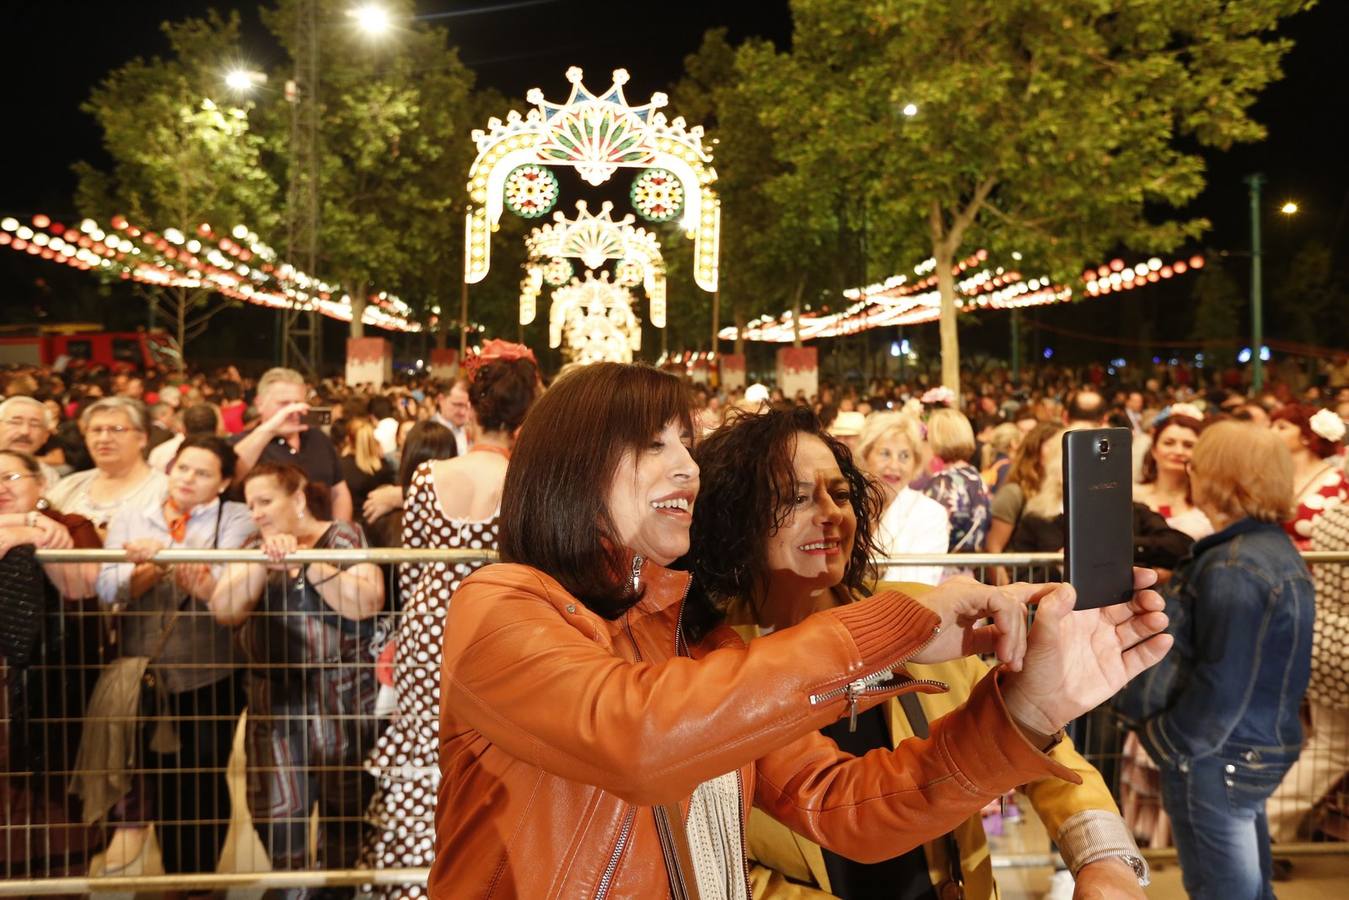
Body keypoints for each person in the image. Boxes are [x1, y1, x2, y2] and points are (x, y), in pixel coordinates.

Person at [429, 362, 1171, 897]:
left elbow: (844, 803)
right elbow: (640, 739)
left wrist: (1028, 711)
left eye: (688, 445)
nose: (687, 466)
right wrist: (891, 627)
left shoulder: (701, 644)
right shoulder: (501, 605)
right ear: (572, 470)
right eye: (656, 444)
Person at [687, 406, 1148, 899]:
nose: (830, 513)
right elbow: (723, 866)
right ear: (735, 516)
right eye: (795, 497)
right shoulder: (707, 663)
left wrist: (1108, 862)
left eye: (841, 493)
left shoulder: (921, 611)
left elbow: (1047, 751)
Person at [359, 344, 539, 897]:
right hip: (491, 629)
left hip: (427, 630)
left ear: (476, 406)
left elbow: (412, 566)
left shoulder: (429, 476)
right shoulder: (524, 482)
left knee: (421, 752)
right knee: (487, 758)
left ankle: (414, 879)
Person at [1120, 421, 1313, 900]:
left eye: (1199, 462)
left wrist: (1171, 742)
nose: (1189, 469)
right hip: (1245, 746)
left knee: (1224, 890)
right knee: (1246, 886)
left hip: (1216, 753)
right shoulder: (1265, 551)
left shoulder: (1234, 565)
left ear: (1224, 478)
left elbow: (1223, 683)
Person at [210, 463, 384, 883]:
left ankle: (336, 890)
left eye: (265, 501)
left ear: (299, 499)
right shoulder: (254, 544)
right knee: (274, 808)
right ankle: (292, 889)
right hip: (274, 698)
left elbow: (366, 601)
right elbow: (225, 611)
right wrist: (263, 562)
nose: (257, 513)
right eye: (251, 505)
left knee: (345, 805)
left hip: (341, 694)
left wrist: (307, 561)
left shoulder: (343, 537)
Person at [92, 435, 256, 877]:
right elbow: (107, 586)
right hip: (143, 671)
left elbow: (225, 584)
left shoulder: (237, 517)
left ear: (222, 484)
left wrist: (165, 553)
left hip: (212, 672)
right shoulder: (134, 513)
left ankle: (199, 877)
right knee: (160, 777)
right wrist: (148, 571)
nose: (188, 479)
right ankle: (172, 873)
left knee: (203, 775)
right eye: (183, 468)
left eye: (202, 473)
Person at [0, 449, 103, 877]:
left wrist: (35, 530)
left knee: (54, 797)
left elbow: (82, 587)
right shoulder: (36, 523)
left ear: (41, 484)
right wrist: (25, 525)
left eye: (11, 477)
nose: (2, 487)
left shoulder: (72, 525)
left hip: (56, 679)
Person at [1266, 500, 1349, 841]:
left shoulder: (1335, 514)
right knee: (1330, 748)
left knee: (1329, 747)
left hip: (1328, 639)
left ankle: (1268, 827)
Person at [230, 367, 354, 522]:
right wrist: (271, 429)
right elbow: (231, 473)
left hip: (323, 539)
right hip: (269, 541)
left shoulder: (318, 438)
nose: (293, 410)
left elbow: (338, 492)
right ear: (259, 404)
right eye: (284, 404)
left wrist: (339, 534)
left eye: (298, 403)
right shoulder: (243, 442)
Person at [47, 398, 167, 535]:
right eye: (96, 430)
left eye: (116, 429)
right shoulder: (68, 487)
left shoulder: (166, 492)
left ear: (142, 438)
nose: (104, 439)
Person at [855, 411, 948, 585]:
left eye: (904, 456)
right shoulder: (849, 505)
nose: (894, 465)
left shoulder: (930, 513)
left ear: (915, 463)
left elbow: (918, 584)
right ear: (866, 456)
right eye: (885, 453)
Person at [1270, 403, 1347, 548]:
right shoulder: (1269, 479)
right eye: (1271, 426)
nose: (1270, 432)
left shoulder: (1340, 482)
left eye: (1281, 427)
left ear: (1306, 436)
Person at [919, 408, 991, 556]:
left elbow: (927, 534)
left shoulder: (943, 482)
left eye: (927, 436)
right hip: (967, 572)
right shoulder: (976, 477)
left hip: (941, 573)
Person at [1134, 411, 1212, 540]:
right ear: (1154, 449)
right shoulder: (1132, 495)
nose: (1178, 451)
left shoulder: (1209, 501)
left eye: (1188, 445)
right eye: (1169, 443)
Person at [337, 417, 396, 532]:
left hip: (349, 530)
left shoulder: (340, 467)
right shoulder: (384, 468)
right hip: (382, 531)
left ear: (348, 439)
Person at [0, 396, 62, 490]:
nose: (25, 431)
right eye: (15, 422)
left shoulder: (49, 477)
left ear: (45, 436)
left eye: (35, 425)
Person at [431, 379, 472, 456]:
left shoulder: (471, 430)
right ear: (441, 400)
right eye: (457, 405)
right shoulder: (428, 433)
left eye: (466, 406)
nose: (463, 412)